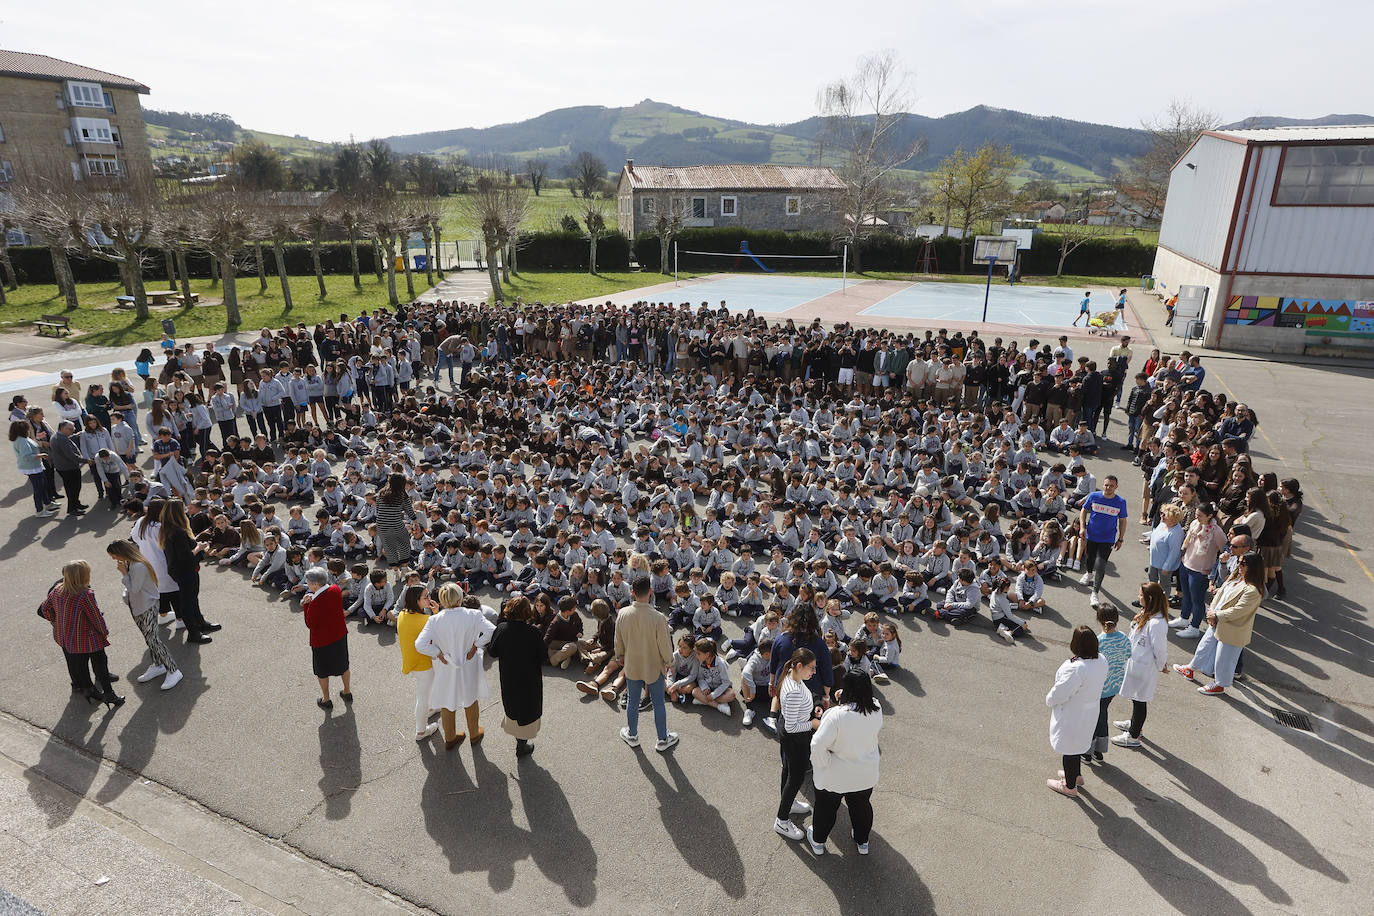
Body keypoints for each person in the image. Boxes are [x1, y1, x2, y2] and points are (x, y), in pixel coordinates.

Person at [806, 668, 883, 856]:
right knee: (861, 807)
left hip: (836, 776)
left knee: (826, 809)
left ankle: (818, 842)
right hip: (864, 774)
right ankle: (862, 841)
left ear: (847, 689)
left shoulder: (836, 715)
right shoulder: (876, 707)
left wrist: (823, 763)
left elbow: (817, 745)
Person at [415, 583, 495, 749]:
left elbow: (419, 644)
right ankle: (474, 734)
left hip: (446, 666)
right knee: (471, 699)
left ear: (442, 601)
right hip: (468, 663)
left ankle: (450, 738)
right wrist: (476, 645)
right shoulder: (473, 615)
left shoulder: (434, 620)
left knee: (447, 700)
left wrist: (437, 653)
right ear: (461, 599)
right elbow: (492, 631)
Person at [1174, 552, 1264, 695]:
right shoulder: (1235, 578)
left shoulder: (1253, 590)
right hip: (1217, 621)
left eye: (1243, 563)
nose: (1239, 565)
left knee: (1225, 658)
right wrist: (1211, 611)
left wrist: (1216, 615)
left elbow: (1239, 611)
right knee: (1204, 647)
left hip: (1233, 628)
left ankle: (1219, 685)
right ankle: (1190, 668)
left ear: (1253, 567)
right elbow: (1219, 595)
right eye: (1239, 562)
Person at [39, 560, 124, 709]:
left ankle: (89, 690)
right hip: (87, 636)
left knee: (80, 665)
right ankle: (109, 694)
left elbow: (44, 609)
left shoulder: (57, 590)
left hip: (66, 637)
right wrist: (104, 632)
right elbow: (96, 618)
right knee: (100, 662)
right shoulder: (85, 594)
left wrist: (56, 622)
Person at [613, 576, 678, 752]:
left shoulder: (623, 614)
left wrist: (619, 655)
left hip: (632, 664)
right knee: (658, 703)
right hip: (653, 666)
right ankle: (662, 739)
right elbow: (665, 645)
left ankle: (632, 734)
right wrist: (669, 662)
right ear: (650, 591)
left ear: (632, 592)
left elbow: (618, 640)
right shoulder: (658, 617)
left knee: (633, 700)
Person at [106, 539, 182, 690]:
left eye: (113, 555)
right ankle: (158, 665)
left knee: (153, 640)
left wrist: (124, 574)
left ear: (121, 552)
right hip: (139, 606)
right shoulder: (131, 562)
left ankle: (173, 670)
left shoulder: (137, 566)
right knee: (149, 639)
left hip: (147, 606)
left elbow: (134, 588)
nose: (113, 559)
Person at [1045, 625, 1108, 798]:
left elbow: (1060, 693)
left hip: (1073, 714)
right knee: (1078, 744)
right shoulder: (1101, 660)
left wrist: (1049, 699)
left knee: (1069, 749)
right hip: (1089, 711)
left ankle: (1070, 786)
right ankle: (1076, 776)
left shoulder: (1076, 668)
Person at [1112, 582, 1170, 749]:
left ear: (1150, 598)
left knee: (1140, 700)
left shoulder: (1157, 623)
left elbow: (1160, 649)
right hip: (1137, 663)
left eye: (1141, 595)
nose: (1138, 597)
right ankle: (1134, 723)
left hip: (1144, 667)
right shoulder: (1148, 614)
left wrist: (1161, 665)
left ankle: (1134, 735)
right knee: (1136, 697)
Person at [487, 594, 545, 757]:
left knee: (513, 707)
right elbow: (543, 657)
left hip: (509, 676)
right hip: (529, 679)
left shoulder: (502, 628)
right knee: (527, 709)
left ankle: (520, 743)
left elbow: (492, 652)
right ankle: (522, 745)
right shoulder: (534, 632)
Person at [774, 647, 821, 841]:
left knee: (789, 772)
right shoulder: (793, 690)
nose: (814, 672)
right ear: (799, 666)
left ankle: (788, 802)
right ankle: (782, 821)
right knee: (796, 777)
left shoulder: (791, 677)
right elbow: (793, 727)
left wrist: (812, 710)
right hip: (795, 738)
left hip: (790, 734)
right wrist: (812, 723)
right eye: (811, 668)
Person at [159, 500, 220, 643]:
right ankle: (193, 633)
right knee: (187, 602)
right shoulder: (178, 531)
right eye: (183, 508)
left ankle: (200, 623)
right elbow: (185, 556)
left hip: (179, 570)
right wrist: (199, 547)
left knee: (192, 598)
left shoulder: (167, 528)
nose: (186, 510)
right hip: (185, 571)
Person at [302, 567, 351, 709]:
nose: (308, 585)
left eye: (309, 583)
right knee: (343, 664)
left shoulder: (315, 604)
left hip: (322, 640)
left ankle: (326, 698)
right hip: (339, 634)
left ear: (316, 584)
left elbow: (310, 623)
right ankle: (347, 691)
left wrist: (306, 605)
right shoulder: (335, 589)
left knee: (322, 670)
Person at [1078, 475, 1127, 609]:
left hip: (1108, 539)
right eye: (1106, 485)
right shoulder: (1094, 496)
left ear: (1116, 487)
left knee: (1100, 565)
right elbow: (1084, 511)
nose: (1108, 487)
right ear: (1103, 484)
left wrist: (1121, 538)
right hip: (1092, 535)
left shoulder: (1121, 502)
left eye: (1111, 485)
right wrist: (1083, 527)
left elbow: (1123, 521)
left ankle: (1095, 593)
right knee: (1090, 558)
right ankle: (1088, 573)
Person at [396, 584, 438, 741]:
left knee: (425, 693)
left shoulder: (402, 614)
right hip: (423, 665)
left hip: (411, 661)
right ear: (416, 600)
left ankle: (432, 708)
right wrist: (436, 614)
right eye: (425, 597)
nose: (429, 599)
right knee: (422, 698)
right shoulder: (426, 620)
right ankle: (421, 731)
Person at [10, 419, 57, 518]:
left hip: (35, 466)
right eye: (27, 428)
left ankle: (48, 504)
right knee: (38, 488)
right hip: (31, 467)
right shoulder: (21, 441)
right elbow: (26, 456)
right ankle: (39, 510)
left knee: (43, 485)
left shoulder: (23, 438)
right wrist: (41, 455)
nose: (28, 430)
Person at [375, 472, 417, 567]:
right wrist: (415, 521)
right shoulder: (402, 494)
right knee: (404, 544)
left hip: (381, 525)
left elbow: (377, 510)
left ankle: (395, 571)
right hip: (395, 524)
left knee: (389, 547)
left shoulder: (381, 492)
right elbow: (409, 510)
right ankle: (405, 568)